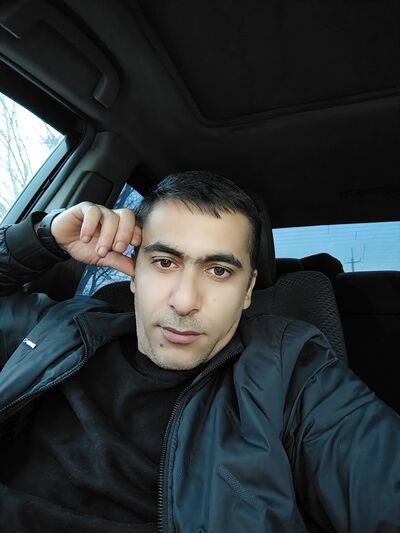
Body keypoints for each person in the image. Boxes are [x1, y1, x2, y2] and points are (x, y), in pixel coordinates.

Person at [0, 171, 399, 533]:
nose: (185, 301)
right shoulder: (60, 327)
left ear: (248, 290)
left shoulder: (291, 369)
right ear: (134, 272)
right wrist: (42, 238)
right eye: (164, 262)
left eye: (219, 271)